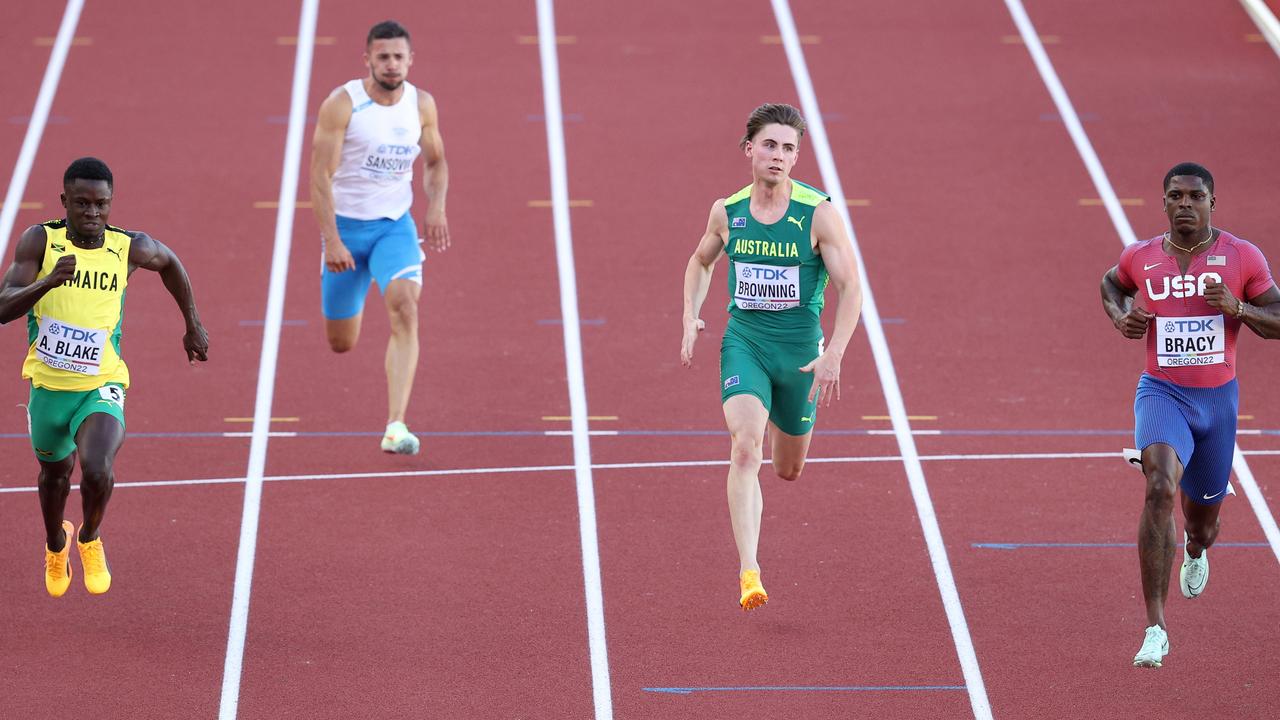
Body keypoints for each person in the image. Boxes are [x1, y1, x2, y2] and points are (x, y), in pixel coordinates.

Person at [681, 103, 863, 611]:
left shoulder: (817, 214)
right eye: (769, 145)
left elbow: (851, 288)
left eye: (788, 148)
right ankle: (749, 571)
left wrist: (836, 354)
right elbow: (700, 261)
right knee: (745, 449)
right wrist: (689, 314)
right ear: (750, 150)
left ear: (796, 156)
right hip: (747, 343)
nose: (778, 156)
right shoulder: (728, 211)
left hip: (802, 356)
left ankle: (786, 424)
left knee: (787, 470)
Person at [0, 157, 209, 597]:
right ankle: (56, 543)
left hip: (101, 383)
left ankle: (89, 538)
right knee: (54, 476)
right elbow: (3, 307)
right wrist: (48, 282)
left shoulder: (127, 247)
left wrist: (191, 323)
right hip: (48, 389)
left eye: (101, 204)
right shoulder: (40, 242)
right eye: (82, 204)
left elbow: (170, 263)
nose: (92, 213)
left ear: (111, 204)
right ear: (65, 202)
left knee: (97, 469)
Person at [1101, 162, 1280, 667]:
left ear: (1211, 203)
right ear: (1163, 203)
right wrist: (1121, 318)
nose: (1185, 204)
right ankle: (1155, 627)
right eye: (1176, 196)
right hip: (1161, 393)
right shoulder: (1140, 257)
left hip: (1217, 404)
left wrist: (1239, 309)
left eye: (1195, 197)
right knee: (1158, 487)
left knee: (1201, 524)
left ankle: (1197, 551)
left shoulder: (1242, 257)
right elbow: (1110, 285)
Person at [310, 19, 449, 455]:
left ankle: (395, 426)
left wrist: (437, 206)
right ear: (367, 59)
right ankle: (358, 286)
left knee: (406, 308)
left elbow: (435, 162)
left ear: (411, 60)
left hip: (394, 226)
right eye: (383, 56)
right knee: (341, 343)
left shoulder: (421, 105)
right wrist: (331, 240)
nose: (391, 64)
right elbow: (319, 176)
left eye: (399, 56)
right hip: (347, 231)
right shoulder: (342, 105)